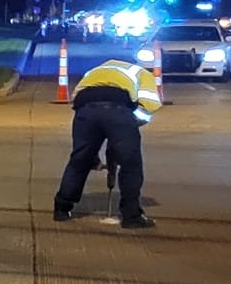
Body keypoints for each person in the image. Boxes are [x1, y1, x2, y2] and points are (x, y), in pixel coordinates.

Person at [53, 58, 162, 228]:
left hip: (85, 112)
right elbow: (150, 105)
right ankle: (131, 216)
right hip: (118, 110)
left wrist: (92, 155)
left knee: (79, 161)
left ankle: (61, 209)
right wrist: (127, 127)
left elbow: (77, 99)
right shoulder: (141, 73)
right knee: (131, 164)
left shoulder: (95, 71)